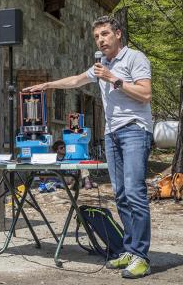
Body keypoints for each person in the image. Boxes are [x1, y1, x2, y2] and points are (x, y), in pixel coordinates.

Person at [24, 16, 152, 279]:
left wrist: (113, 79)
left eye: (105, 34)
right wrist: (48, 85)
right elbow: (76, 80)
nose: (101, 40)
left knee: (136, 193)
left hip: (134, 131)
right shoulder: (101, 65)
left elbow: (145, 93)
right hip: (112, 134)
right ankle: (128, 249)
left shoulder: (134, 59)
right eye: (96, 37)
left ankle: (141, 256)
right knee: (121, 194)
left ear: (118, 34)